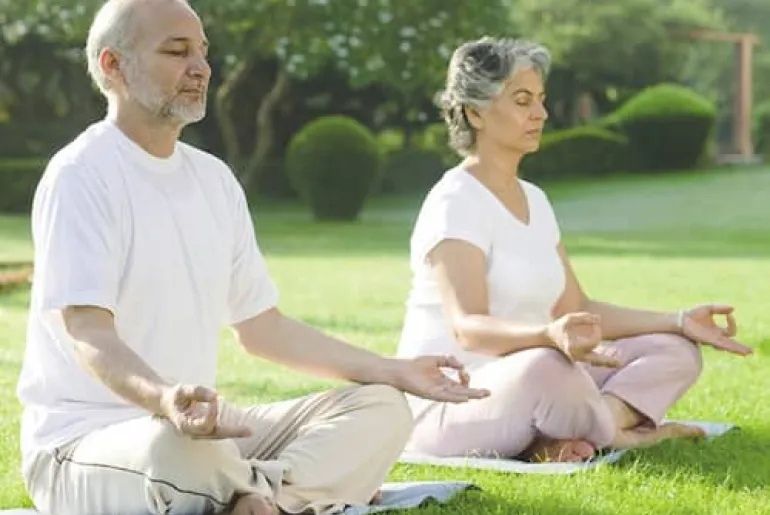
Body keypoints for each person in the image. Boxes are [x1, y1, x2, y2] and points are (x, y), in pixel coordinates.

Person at [14, 1, 490, 514]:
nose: (200, 68)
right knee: (173, 452)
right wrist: (164, 400)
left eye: (202, 52)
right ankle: (286, 493)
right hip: (90, 444)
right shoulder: (82, 175)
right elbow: (89, 333)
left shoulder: (214, 180)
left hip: (202, 435)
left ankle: (257, 500)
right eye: (177, 52)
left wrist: (392, 370)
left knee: (381, 408)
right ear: (113, 66)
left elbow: (262, 328)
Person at [395, 37, 753, 464]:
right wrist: (547, 337)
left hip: (537, 376)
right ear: (475, 112)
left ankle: (586, 426)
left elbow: (577, 307)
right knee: (548, 366)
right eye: (523, 100)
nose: (541, 114)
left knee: (671, 349)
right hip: (453, 400)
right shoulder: (455, 201)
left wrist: (678, 322)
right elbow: (468, 328)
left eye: (541, 100)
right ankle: (620, 435)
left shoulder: (535, 200)